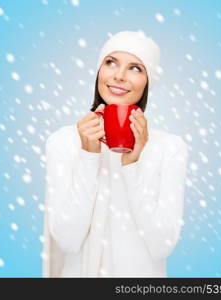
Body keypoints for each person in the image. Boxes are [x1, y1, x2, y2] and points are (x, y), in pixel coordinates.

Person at [42, 31, 189, 277]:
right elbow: (68, 240)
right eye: (110, 63)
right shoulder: (63, 142)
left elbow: (162, 245)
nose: (119, 76)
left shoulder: (170, 148)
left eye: (135, 68)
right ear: (99, 71)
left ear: (148, 81)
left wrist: (131, 164)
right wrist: (89, 155)